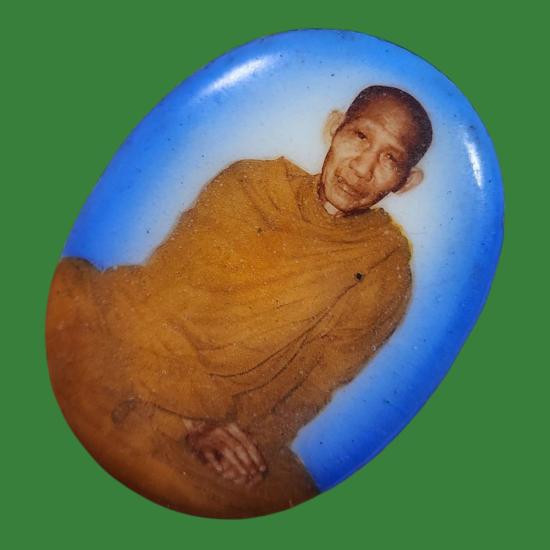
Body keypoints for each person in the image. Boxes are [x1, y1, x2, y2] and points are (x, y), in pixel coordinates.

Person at [46, 85, 432, 518]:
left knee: (284, 498)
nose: (362, 168)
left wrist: (240, 439)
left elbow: (313, 389)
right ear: (333, 128)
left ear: (406, 181)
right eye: (360, 137)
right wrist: (189, 419)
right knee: (65, 295)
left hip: (232, 420)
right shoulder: (251, 183)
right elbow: (159, 295)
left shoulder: (383, 268)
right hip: (139, 350)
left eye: (390, 158)